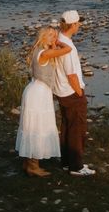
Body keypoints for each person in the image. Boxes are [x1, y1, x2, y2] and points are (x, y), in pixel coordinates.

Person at [15, 26, 71, 177]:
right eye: (51, 36)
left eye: (55, 35)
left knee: (31, 126)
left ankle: (28, 163)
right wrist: (59, 42)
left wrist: (53, 42)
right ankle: (34, 166)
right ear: (44, 37)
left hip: (34, 89)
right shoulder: (46, 52)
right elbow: (68, 49)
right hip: (38, 93)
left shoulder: (38, 50)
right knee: (37, 128)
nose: (54, 38)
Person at [53, 10, 96, 176]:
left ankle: (66, 162)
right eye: (78, 23)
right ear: (73, 25)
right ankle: (76, 166)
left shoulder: (58, 39)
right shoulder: (68, 46)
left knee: (66, 127)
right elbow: (71, 75)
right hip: (71, 93)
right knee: (77, 129)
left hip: (61, 91)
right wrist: (80, 93)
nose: (80, 25)